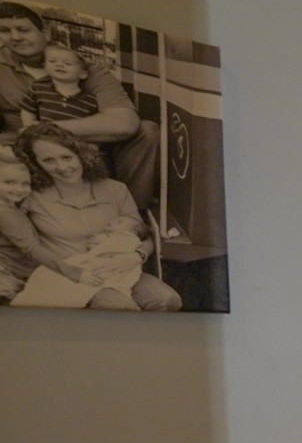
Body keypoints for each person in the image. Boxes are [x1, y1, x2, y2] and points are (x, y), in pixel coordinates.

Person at [0, 1, 158, 214]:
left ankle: (130, 214)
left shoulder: (85, 68)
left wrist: (45, 129)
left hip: (82, 145)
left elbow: (124, 123)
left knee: (146, 131)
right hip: (20, 148)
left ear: (45, 32)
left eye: (23, 29)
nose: (15, 37)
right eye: (4, 30)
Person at [10, 123, 180, 311]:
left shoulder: (115, 189)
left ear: (80, 154)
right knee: (119, 307)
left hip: (123, 268)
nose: (62, 167)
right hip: (73, 274)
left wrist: (135, 256)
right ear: (36, 164)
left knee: (168, 299)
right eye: (48, 160)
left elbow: (144, 236)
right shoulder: (32, 196)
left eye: (67, 157)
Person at [25, 46, 101, 124]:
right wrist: (29, 126)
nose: (59, 65)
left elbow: (93, 124)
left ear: (82, 74)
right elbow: (27, 109)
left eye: (68, 63)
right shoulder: (38, 88)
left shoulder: (90, 100)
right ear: (45, 67)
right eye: (52, 61)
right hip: (44, 134)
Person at [0, 155, 37, 303]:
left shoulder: (14, 209)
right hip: (6, 276)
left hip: (20, 276)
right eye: (10, 182)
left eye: (25, 184)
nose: (19, 189)